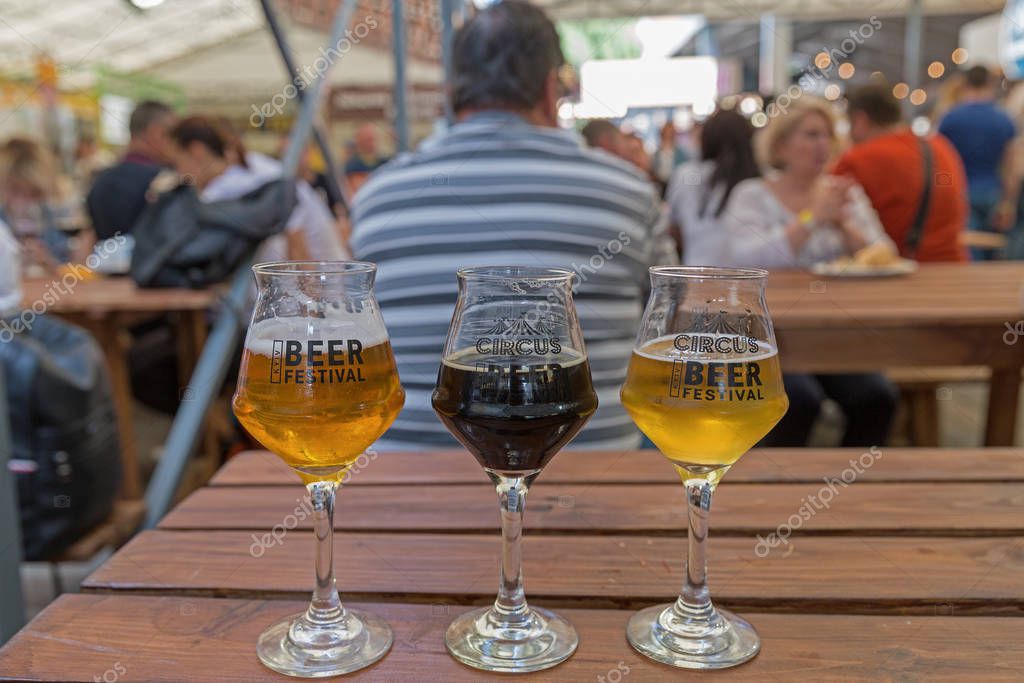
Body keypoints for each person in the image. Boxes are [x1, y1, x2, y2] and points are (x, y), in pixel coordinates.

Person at [350, 0, 675, 450]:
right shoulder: (630, 190)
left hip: (406, 481)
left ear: (452, 91)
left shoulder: (376, 196)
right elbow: (667, 327)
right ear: (549, 88)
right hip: (592, 474)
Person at [720, 98, 898, 447]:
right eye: (812, 134)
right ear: (782, 144)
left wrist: (845, 222)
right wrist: (812, 218)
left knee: (878, 397)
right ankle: (783, 491)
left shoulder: (845, 193)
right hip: (769, 334)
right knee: (798, 402)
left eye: (829, 135)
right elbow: (746, 260)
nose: (823, 145)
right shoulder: (751, 196)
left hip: (833, 329)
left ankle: (847, 487)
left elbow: (884, 254)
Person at [167, 116, 347, 263]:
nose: (180, 173)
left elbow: (298, 251)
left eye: (178, 163)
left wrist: (311, 304)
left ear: (196, 151)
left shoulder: (233, 186)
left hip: (321, 290)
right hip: (327, 281)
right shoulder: (254, 167)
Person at [834, 82, 969, 262]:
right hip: (956, 268)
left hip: (903, 275)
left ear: (860, 120)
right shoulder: (940, 146)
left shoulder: (858, 160)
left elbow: (821, 204)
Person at [938, 66, 1017, 259]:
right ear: (989, 84)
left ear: (965, 84)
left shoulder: (950, 119)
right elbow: (1010, 168)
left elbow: (939, 161)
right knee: (996, 254)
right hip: (994, 191)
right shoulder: (1004, 120)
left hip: (961, 192)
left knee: (969, 253)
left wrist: (943, 192)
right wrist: (1008, 202)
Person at [667, 108, 759, 263]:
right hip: (747, 280)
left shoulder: (686, 174)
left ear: (706, 138)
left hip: (696, 276)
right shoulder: (759, 181)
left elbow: (673, 228)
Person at [86, 100, 176, 241]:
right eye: (173, 135)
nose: (176, 144)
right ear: (155, 132)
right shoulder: (165, 181)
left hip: (105, 261)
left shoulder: (100, 181)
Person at [0, 138, 72, 269]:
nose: (24, 201)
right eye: (15, 190)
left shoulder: (47, 215)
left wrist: (47, 261)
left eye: (34, 193)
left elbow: (66, 268)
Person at [343, 123, 389, 195]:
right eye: (367, 139)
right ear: (359, 141)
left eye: (372, 139)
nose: (371, 143)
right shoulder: (351, 167)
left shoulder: (386, 163)